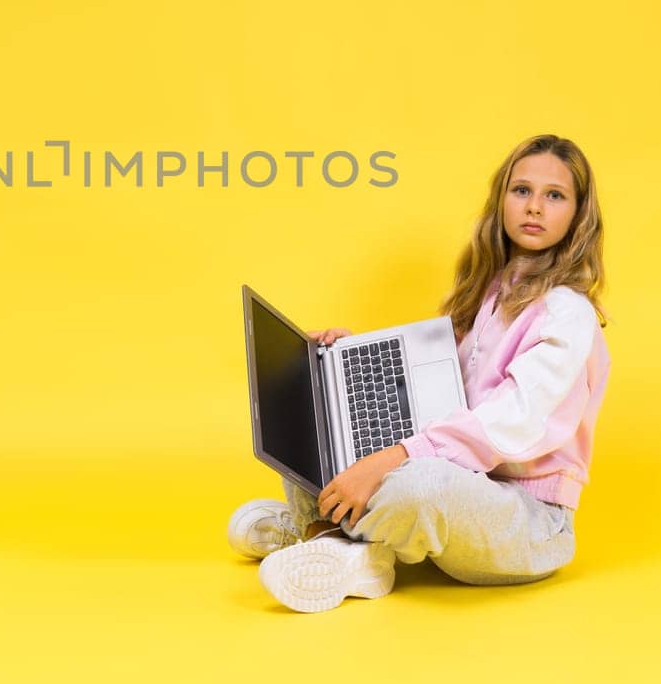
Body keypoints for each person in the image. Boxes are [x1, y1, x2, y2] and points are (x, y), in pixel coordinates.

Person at [227, 133, 613, 613]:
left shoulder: (566, 312)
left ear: (578, 216)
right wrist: (352, 358)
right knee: (322, 394)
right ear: (501, 200)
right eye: (522, 190)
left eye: (554, 196)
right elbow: (443, 385)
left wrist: (392, 457)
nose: (534, 207)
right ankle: (330, 532)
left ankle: (338, 541)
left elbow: (513, 422)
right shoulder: (490, 290)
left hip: (525, 519)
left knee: (419, 483)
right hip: (467, 480)